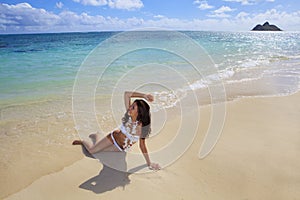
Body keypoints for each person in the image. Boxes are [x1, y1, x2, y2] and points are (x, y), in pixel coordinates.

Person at [72, 91, 161, 171]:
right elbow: (127, 94)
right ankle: (83, 141)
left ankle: (98, 135)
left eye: (133, 107)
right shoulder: (129, 115)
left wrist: (149, 163)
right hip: (113, 138)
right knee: (92, 151)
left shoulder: (141, 128)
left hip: (121, 148)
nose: (130, 108)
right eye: (131, 105)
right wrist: (144, 95)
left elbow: (142, 146)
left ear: (139, 113)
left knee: (101, 153)